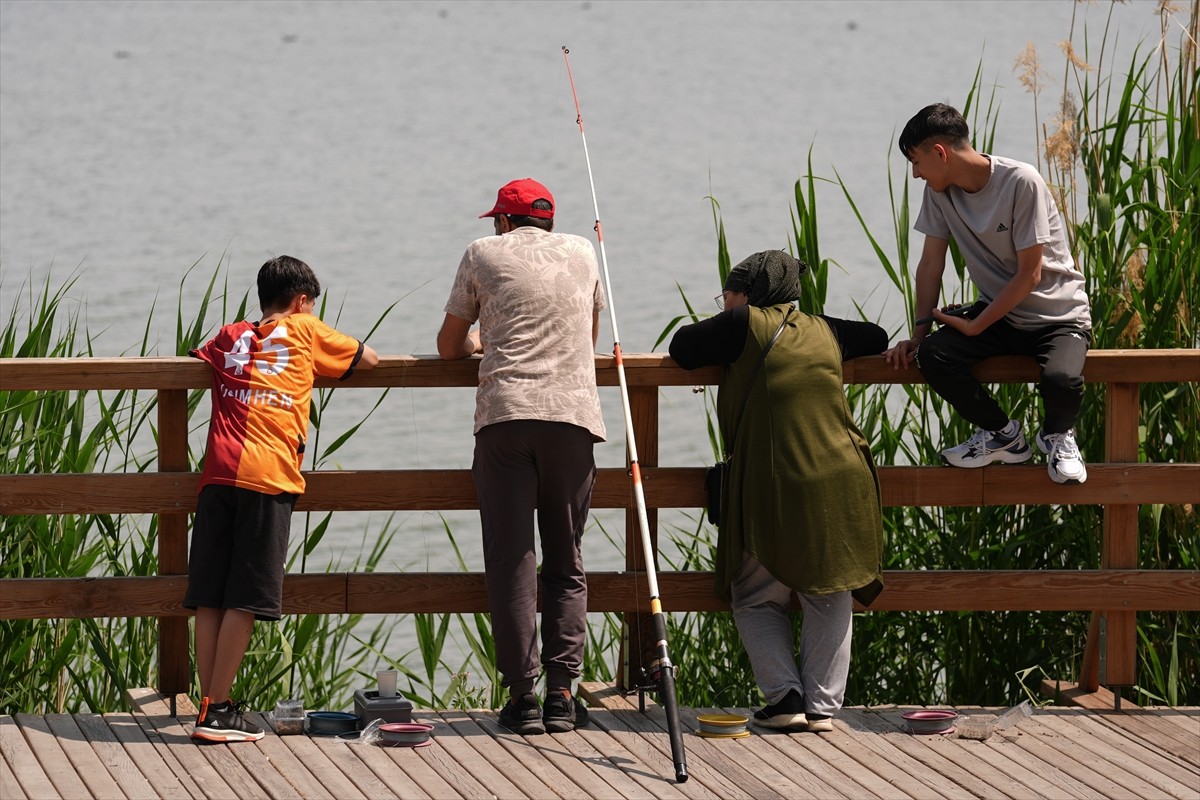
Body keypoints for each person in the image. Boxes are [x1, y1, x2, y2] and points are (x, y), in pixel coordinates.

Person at [669, 250, 886, 733]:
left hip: (775, 481)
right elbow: (877, 336)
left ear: (745, 294)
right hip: (843, 478)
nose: (724, 302)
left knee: (753, 593)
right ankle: (823, 709)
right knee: (829, 590)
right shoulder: (826, 330)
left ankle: (785, 697)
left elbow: (682, 348)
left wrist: (730, 318)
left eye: (727, 293)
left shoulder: (741, 323)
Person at [184, 255, 378, 742]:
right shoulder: (305, 331)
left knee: (210, 596)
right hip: (267, 478)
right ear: (302, 301)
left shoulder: (227, 335)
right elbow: (366, 359)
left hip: (217, 476)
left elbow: (197, 353)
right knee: (245, 599)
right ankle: (218, 711)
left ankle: (210, 705)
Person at [437, 178, 606, 735]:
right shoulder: (584, 251)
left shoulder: (481, 254)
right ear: (549, 221)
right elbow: (590, 334)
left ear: (504, 222)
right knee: (566, 561)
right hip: (572, 419)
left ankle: (522, 698)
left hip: (506, 418)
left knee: (513, 561)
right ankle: (563, 694)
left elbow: (448, 345)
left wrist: (482, 345)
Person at [884, 103, 1093, 485]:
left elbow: (1030, 275)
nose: (915, 174)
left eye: (915, 162)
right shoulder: (939, 192)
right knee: (935, 355)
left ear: (940, 153)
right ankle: (1003, 436)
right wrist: (918, 335)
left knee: (1061, 380)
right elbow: (930, 266)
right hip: (1000, 315)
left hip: (1057, 317)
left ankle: (1058, 437)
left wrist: (976, 324)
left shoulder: (1021, 181)